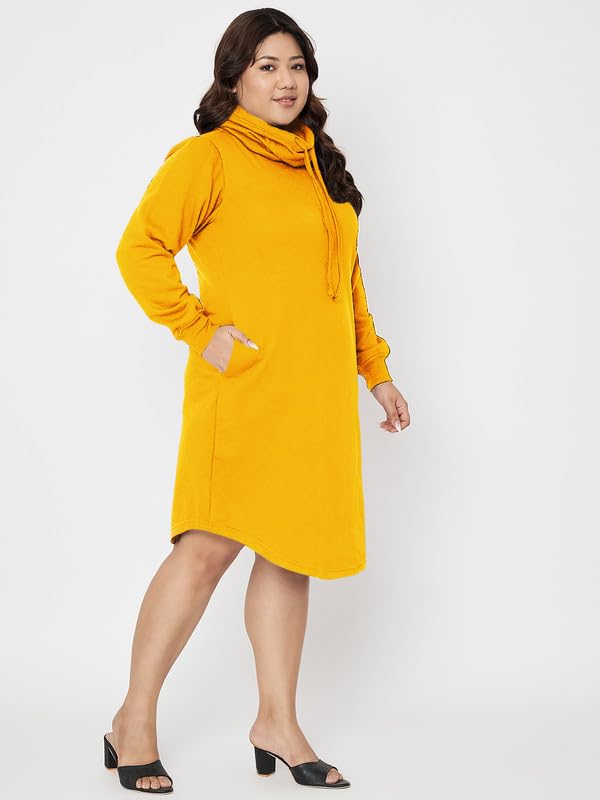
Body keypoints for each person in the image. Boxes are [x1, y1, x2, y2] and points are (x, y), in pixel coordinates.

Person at [105, 7, 410, 794]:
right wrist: (199, 330)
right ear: (234, 77)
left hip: (314, 398)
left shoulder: (321, 169)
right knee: (206, 549)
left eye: (296, 66)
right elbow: (139, 249)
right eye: (267, 66)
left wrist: (374, 370)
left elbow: (345, 285)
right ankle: (133, 718)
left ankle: (277, 720)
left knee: (289, 552)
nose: (285, 81)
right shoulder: (206, 158)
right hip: (243, 392)